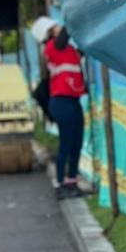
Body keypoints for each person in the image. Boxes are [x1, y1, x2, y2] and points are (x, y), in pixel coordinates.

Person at [32, 16, 87, 200]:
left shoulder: (68, 49)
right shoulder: (53, 47)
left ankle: (72, 181)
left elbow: (82, 52)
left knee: (76, 143)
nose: (58, 28)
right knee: (66, 143)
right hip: (61, 102)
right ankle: (60, 184)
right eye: (54, 27)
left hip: (73, 99)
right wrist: (75, 12)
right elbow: (66, 32)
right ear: (48, 33)